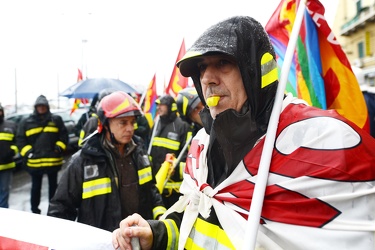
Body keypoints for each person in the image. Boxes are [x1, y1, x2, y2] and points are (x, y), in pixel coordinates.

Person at [112, 16, 375, 250]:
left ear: (256, 72)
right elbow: (199, 215)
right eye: (202, 67)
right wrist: (157, 234)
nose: (207, 79)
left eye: (223, 63)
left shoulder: (320, 139)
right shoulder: (201, 145)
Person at [47, 91, 166, 232]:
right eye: (123, 123)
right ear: (105, 124)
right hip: (102, 243)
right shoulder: (83, 161)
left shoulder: (140, 154)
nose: (130, 128)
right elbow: (60, 209)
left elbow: (151, 190)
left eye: (132, 122)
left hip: (139, 239)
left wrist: (159, 216)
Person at [17, 95, 68, 214]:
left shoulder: (56, 120)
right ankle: (35, 211)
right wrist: (29, 153)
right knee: (35, 188)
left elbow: (64, 136)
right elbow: (20, 140)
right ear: (35, 107)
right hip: (35, 163)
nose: (41, 108)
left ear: (47, 107)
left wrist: (58, 148)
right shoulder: (26, 122)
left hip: (52, 161)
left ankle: (53, 210)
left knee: (53, 188)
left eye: (43, 106)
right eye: (39, 106)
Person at [148, 94, 191, 208]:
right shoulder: (156, 124)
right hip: (156, 185)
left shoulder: (182, 126)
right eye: (158, 105)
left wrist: (174, 167)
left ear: (171, 107)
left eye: (162, 105)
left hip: (173, 189)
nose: (158, 108)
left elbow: (187, 154)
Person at [0, 104, 18, 208]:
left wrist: (12, 151)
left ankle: (3, 216)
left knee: (4, 191)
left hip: (7, 165)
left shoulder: (11, 125)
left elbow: (18, 141)